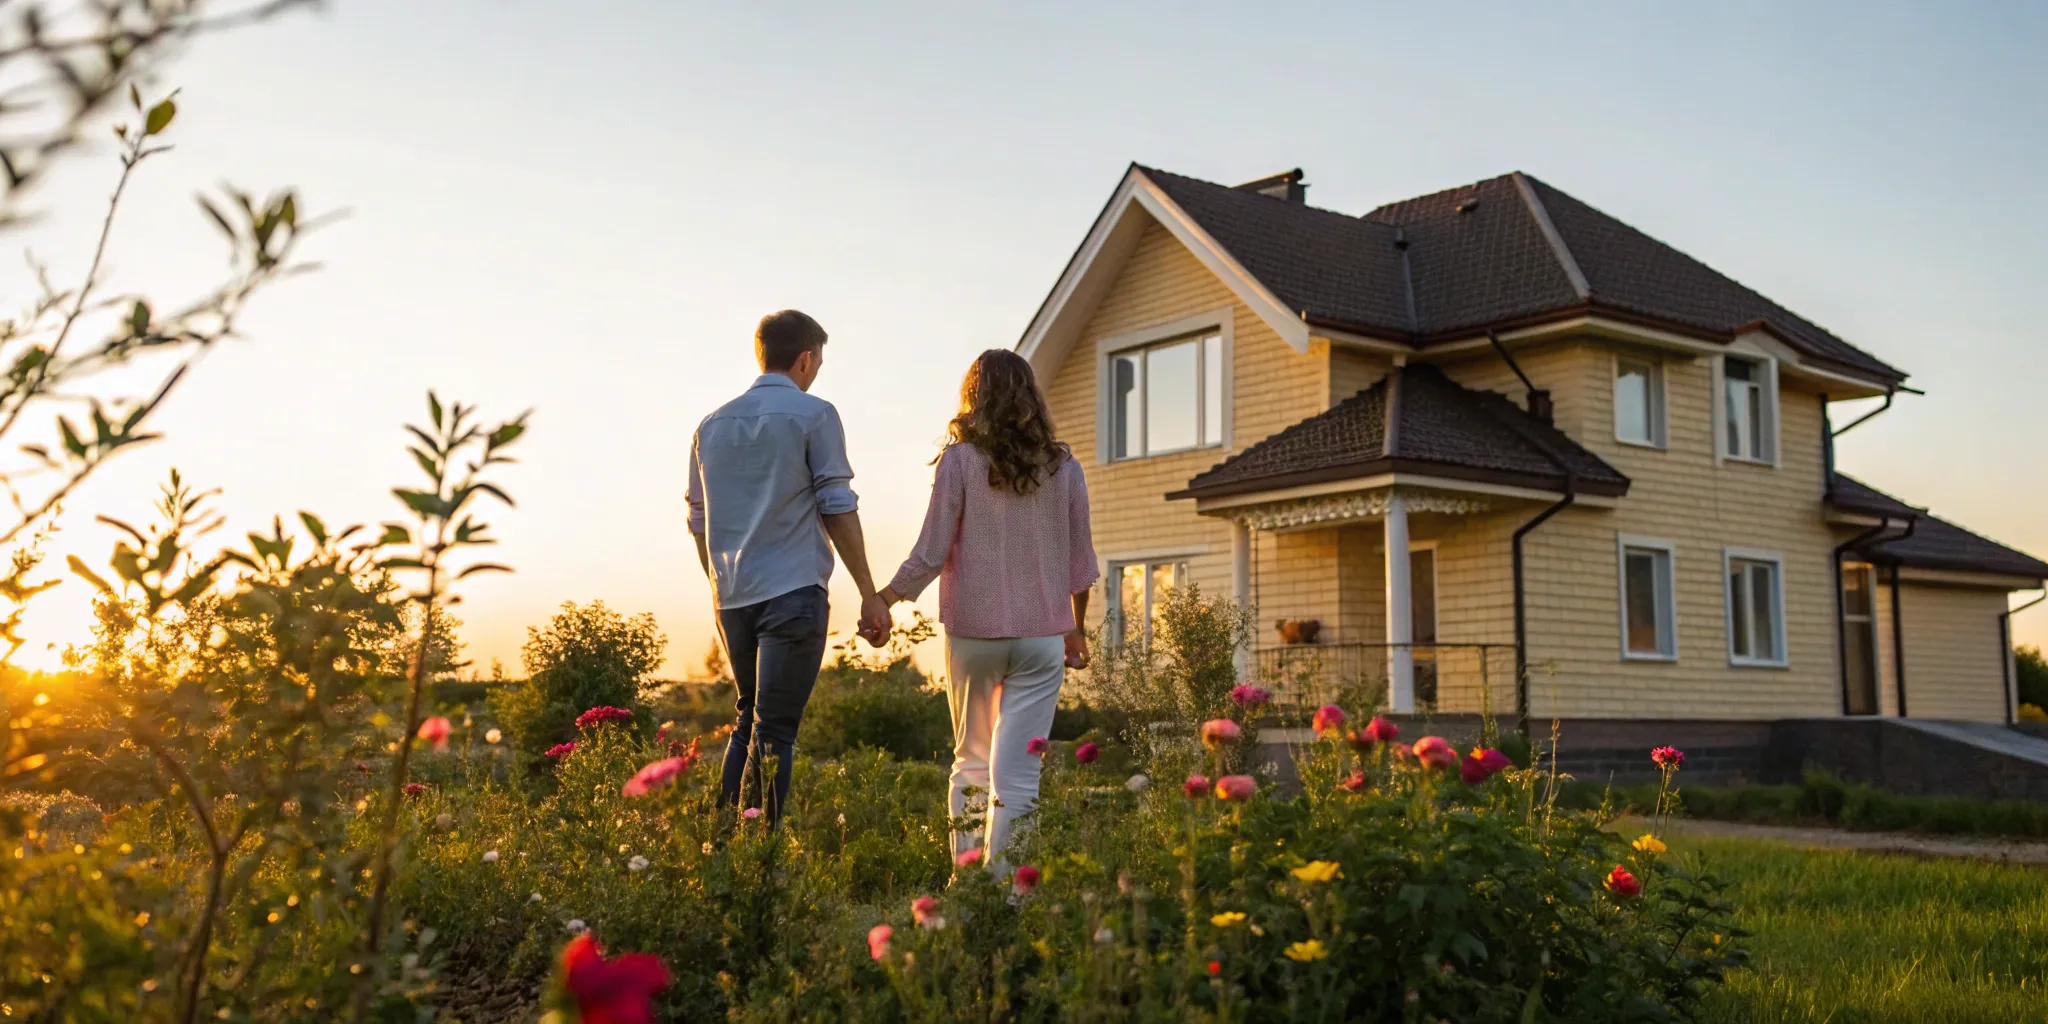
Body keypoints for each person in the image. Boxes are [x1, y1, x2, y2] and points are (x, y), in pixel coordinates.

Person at [878, 348, 1098, 870]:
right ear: (1032, 396)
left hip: (974, 635)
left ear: (972, 397)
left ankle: (968, 886)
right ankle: (1010, 895)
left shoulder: (960, 460)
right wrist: (1077, 629)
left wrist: (884, 599)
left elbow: (932, 549)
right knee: (1020, 773)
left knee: (971, 762)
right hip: (1043, 636)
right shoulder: (1064, 467)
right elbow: (1081, 559)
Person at [687, 309, 890, 826]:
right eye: (818, 361)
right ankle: (763, 854)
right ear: (805, 358)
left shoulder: (709, 427)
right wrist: (869, 591)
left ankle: (724, 841)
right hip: (793, 591)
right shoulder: (814, 415)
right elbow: (837, 504)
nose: (816, 372)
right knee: (774, 729)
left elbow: (698, 520)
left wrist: (717, 583)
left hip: (732, 596)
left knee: (748, 720)